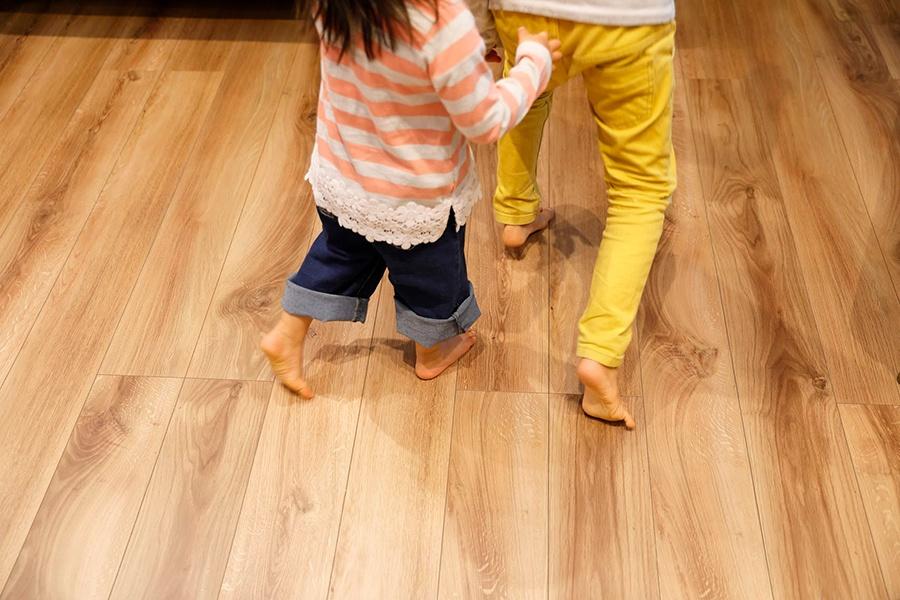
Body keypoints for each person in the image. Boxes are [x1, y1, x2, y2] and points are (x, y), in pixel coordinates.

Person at [262, 0, 561, 397]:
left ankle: (288, 331)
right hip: (414, 196)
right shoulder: (441, 21)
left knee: (341, 255)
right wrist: (533, 64)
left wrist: (465, 57)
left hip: (346, 178)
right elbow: (486, 120)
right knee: (432, 281)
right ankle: (432, 351)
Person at [472, 0, 676, 429]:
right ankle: (600, 354)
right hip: (628, 20)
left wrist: (483, 25)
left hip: (524, 8)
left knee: (526, 86)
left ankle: (516, 211)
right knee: (639, 189)